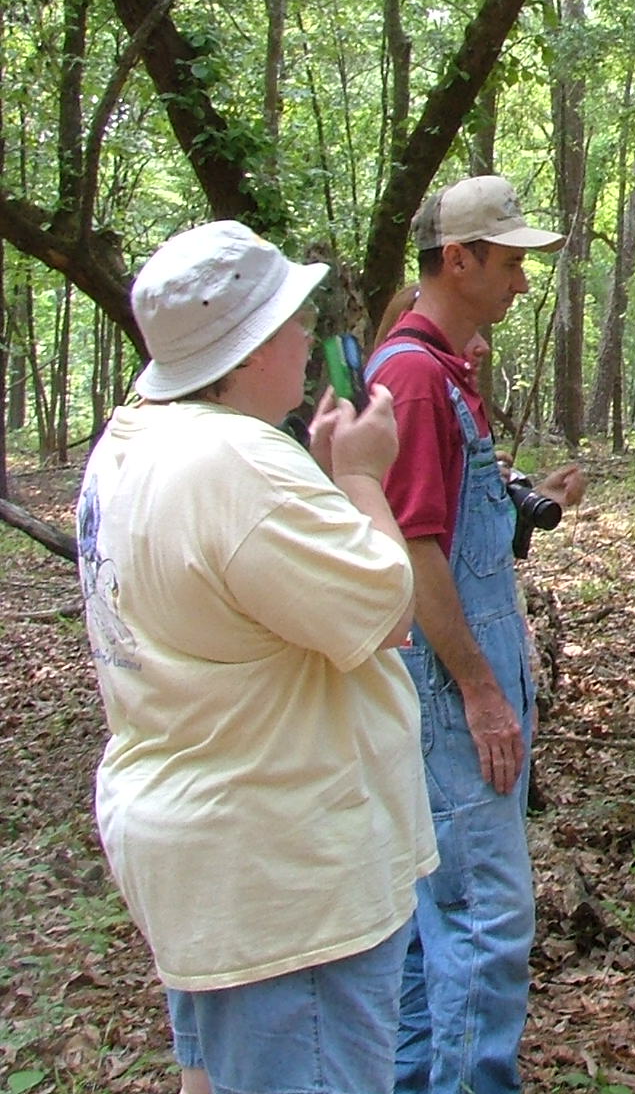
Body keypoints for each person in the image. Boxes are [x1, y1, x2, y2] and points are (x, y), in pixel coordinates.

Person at [75, 221, 434, 1094]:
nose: (309, 337)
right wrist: (359, 476)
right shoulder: (236, 463)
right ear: (249, 348)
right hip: (285, 878)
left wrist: (319, 476)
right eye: (291, 321)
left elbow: (258, 574)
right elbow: (386, 606)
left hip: (205, 850)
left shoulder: (136, 441)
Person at [368, 173, 586, 1094]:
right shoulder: (413, 378)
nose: (522, 283)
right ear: (457, 260)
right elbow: (414, 557)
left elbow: (462, 537)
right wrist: (480, 688)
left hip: (471, 677)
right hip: (454, 694)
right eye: (509, 263)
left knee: (437, 919)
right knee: (483, 919)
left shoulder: (445, 374)